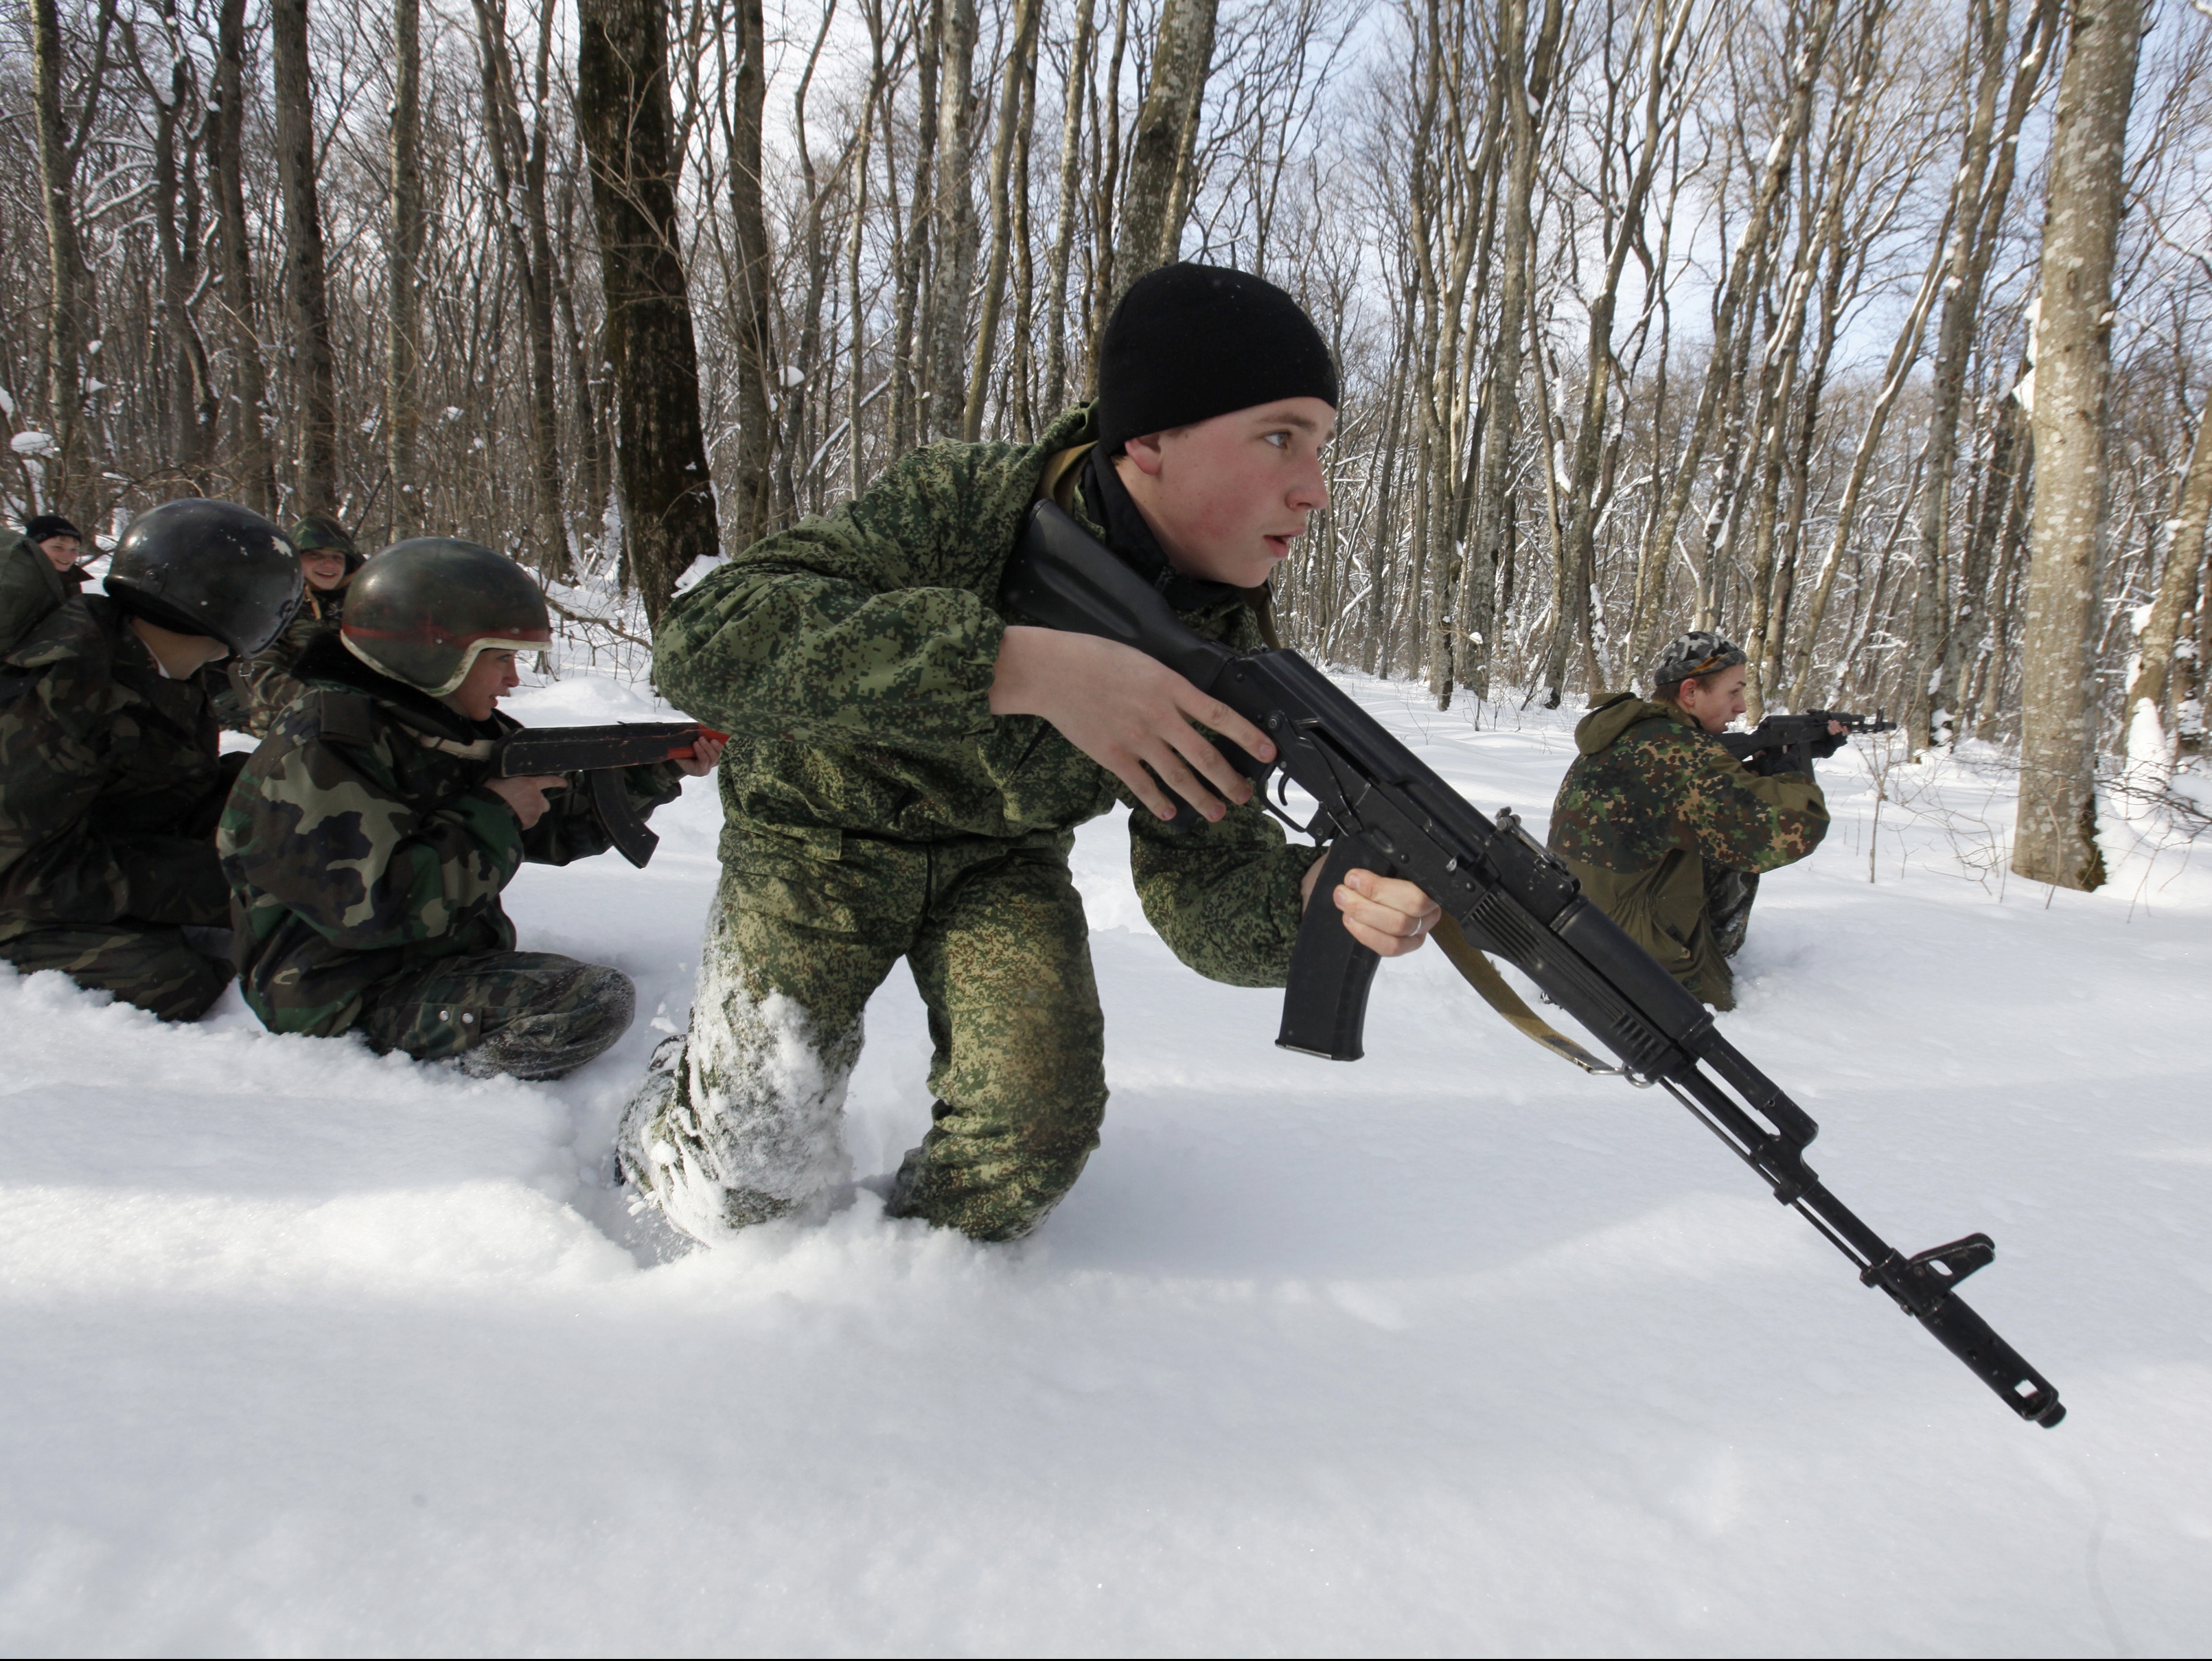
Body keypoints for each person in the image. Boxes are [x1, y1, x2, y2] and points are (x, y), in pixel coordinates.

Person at [623, 262, 1440, 1245]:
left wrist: (1312, 908)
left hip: (997, 862)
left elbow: (1204, 890)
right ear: (1147, 439)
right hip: (817, 835)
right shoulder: (965, 506)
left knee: (1030, 1142)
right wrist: (1017, 665)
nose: (1313, 491)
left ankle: (896, 1290)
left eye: (1321, 447)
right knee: (742, 1189)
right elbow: (706, 638)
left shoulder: (1221, 649)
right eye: (1278, 437)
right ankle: (671, 1121)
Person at [219, 537, 724, 1081]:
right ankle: (442, 1086)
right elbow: (373, 910)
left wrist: (659, 768)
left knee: (588, 994)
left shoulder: (440, 727)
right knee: (589, 1002)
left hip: (420, 960)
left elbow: (556, 827)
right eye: (501, 658)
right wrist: (494, 812)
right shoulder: (324, 750)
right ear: (435, 653)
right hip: (335, 991)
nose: (513, 679)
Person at [0, 499, 301, 1020]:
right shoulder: (67, 682)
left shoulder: (153, 658)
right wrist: (212, 884)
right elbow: (26, 872)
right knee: (172, 980)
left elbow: (170, 779)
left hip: (86, 840)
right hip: (19, 889)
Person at [1547, 632, 1836, 1011]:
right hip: (1631, 960)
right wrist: (1792, 772)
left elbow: (1691, 797)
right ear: (1690, 692)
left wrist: (1778, 762)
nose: (1740, 707)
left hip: (1576, 926)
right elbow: (1791, 830)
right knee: (1738, 840)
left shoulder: (1634, 733)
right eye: (1734, 692)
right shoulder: (1681, 752)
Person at [230, 512, 363, 735]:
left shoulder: (361, 602)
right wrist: (324, 699)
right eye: (315, 555)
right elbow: (263, 675)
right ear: (294, 558)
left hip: (357, 716)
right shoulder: (275, 604)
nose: (328, 564)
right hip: (288, 725)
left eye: (337, 557)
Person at [0, 513, 91, 656]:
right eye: (58, 547)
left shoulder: (66, 578)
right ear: (33, 547)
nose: (68, 556)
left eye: (74, 550)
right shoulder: (20, 581)